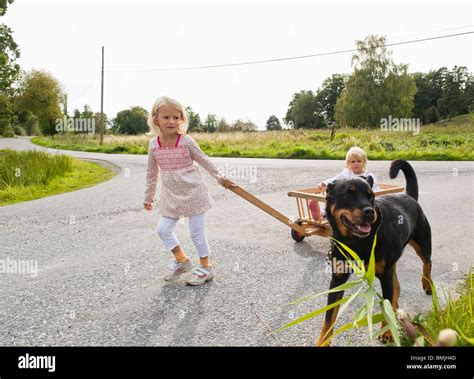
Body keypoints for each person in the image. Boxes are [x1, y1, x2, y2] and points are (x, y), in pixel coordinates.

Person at [144, 96, 228, 286]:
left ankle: (206, 268)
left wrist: (219, 176)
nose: (171, 121)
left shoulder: (186, 141)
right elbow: (151, 174)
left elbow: (204, 159)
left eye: (176, 117)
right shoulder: (153, 145)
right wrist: (148, 197)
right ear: (156, 119)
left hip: (194, 192)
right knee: (162, 229)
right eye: (166, 117)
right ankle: (182, 261)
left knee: (196, 233)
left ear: (181, 119)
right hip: (171, 196)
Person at [309, 146, 380, 220]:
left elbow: (375, 190)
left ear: (364, 162)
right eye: (353, 162)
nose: (356, 164)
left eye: (359, 161)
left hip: (362, 202)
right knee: (336, 201)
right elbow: (335, 179)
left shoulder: (369, 176)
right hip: (348, 201)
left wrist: (373, 199)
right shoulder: (346, 173)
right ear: (348, 163)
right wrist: (324, 183)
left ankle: (325, 214)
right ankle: (321, 213)